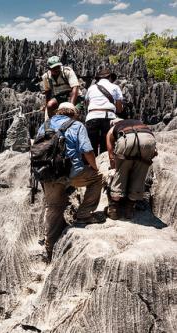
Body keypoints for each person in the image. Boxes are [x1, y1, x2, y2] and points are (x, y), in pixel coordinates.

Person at [37, 102, 105, 261]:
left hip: (48, 173)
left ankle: (50, 247)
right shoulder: (77, 125)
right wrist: (94, 167)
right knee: (98, 178)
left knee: (53, 207)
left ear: (58, 112)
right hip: (72, 173)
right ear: (73, 113)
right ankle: (83, 214)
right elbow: (87, 150)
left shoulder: (45, 125)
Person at [105, 118, 157, 220]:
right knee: (140, 175)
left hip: (127, 140)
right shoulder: (141, 124)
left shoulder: (113, 129)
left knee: (121, 173)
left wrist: (114, 167)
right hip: (147, 139)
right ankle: (129, 210)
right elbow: (154, 149)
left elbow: (110, 152)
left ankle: (114, 209)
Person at [85, 68, 123, 155]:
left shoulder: (91, 88)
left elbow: (87, 104)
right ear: (109, 77)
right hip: (109, 117)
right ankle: (105, 164)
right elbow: (119, 109)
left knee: (91, 145)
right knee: (107, 144)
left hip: (92, 117)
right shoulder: (115, 87)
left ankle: (91, 166)